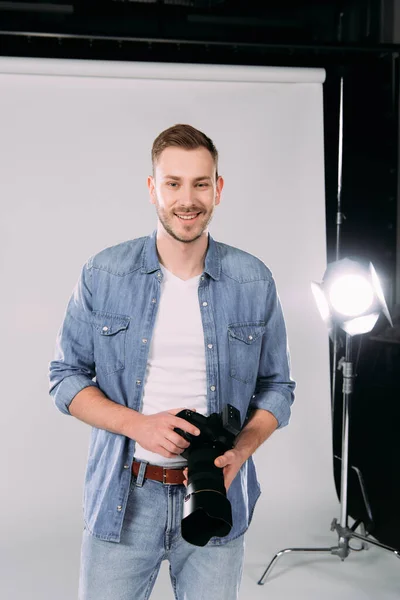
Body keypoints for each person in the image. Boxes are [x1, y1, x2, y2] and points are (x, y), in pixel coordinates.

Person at [48, 123, 296, 600]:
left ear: (218, 189)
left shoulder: (253, 279)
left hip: (216, 492)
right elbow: (64, 378)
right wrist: (136, 425)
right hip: (125, 496)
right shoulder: (104, 273)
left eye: (201, 183)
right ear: (152, 188)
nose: (188, 199)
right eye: (173, 183)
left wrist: (240, 452)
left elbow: (278, 387)